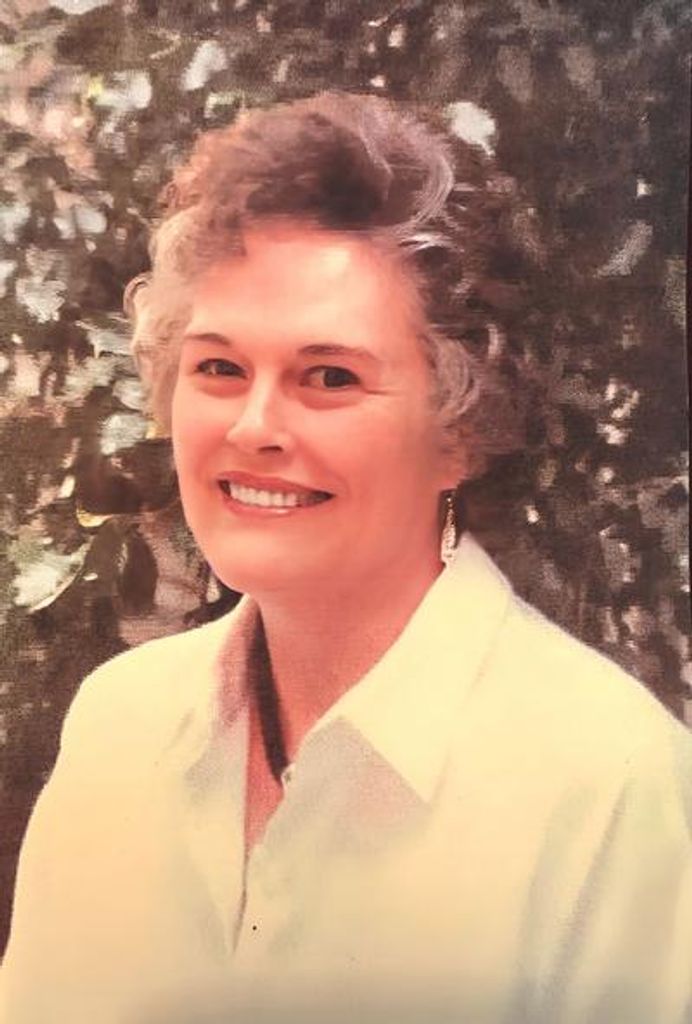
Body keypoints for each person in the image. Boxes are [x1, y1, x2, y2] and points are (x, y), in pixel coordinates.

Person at [1, 92, 690, 1024]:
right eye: (219, 368)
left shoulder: (610, 788)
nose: (253, 426)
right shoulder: (120, 726)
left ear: (461, 429)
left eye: (330, 377)